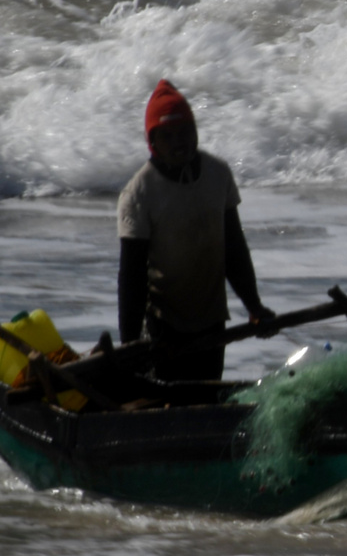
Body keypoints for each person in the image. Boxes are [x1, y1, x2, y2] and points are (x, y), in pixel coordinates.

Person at [117, 79, 274, 382]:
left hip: (211, 321)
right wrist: (130, 345)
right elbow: (132, 278)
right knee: (169, 406)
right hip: (164, 328)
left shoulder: (218, 174)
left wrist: (254, 306)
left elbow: (234, 249)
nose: (180, 142)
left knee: (206, 397)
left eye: (186, 132)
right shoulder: (139, 193)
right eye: (169, 136)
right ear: (153, 141)